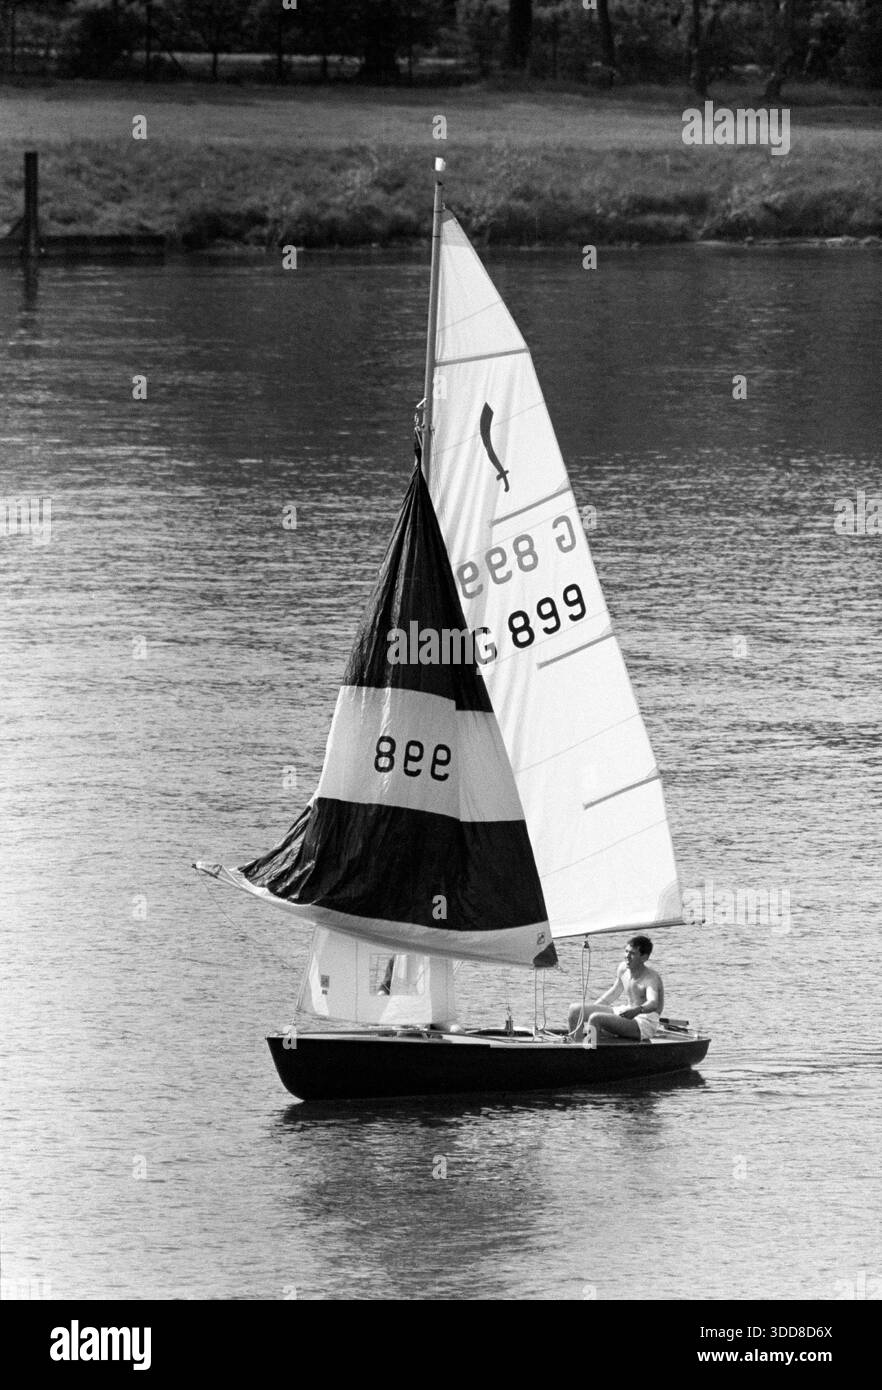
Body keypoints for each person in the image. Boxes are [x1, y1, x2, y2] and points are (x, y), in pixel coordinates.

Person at [567, 936, 664, 1043]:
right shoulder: (623, 969)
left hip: (644, 1021)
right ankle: (576, 1048)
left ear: (644, 957)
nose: (627, 956)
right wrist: (592, 1008)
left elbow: (653, 1003)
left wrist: (636, 1011)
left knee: (596, 1018)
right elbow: (614, 992)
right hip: (626, 1011)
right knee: (575, 1010)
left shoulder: (651, 978)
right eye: (626, 951)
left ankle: (591, 1052)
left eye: (632, 953)